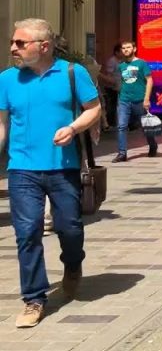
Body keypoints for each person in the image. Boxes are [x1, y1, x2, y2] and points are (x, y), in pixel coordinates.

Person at [1, 19, 101, 327]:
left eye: (20, 43)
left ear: (43, 46)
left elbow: (94, 108)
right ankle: (34, 299)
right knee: (27, 232)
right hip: (22, 169)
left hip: (63, 166)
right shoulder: (7, 79)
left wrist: (72, 128)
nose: (13, 48)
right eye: (13, 42)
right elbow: (2, 124)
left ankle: (73, 264)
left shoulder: (73, 72)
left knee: (69, 227)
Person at [113, 40, 158, 162]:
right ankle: (122, 153)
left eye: (128, 47)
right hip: (124, 100)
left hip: (139, 100)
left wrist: (146, 98)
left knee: (145, 125)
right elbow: (120, 82)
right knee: (121, 126)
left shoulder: (142, 63)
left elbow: (149, 80)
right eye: (123, 48)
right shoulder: (121, 66)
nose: (126, 50)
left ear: (134, 49)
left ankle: (152, 145)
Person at [98, 43, 121, 130]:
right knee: (111, 106)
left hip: (117, 87)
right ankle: (110, 124)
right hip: (111, 87)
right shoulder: (112, 61)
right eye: (121, 51)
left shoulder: (120, 61)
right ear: (116, 52)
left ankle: (114, 123)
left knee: (115, 106)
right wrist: (112, 82)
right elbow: (109, 74)